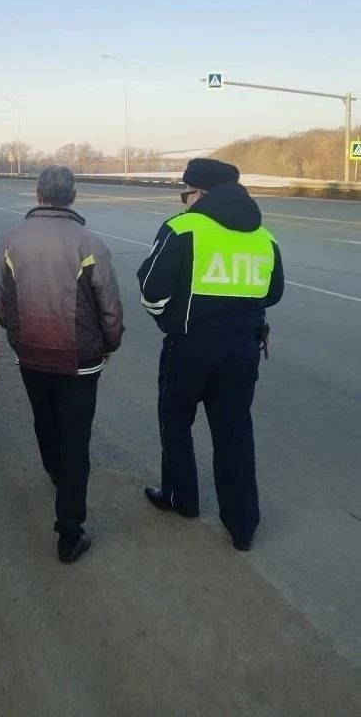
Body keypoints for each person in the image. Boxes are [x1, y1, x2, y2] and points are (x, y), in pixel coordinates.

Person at [136, 158, 284, 551]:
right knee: (234, 431)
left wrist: (172, 321)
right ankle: (242, 526)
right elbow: (273, 294)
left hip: (190, 348)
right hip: (242, 350)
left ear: (200, 192)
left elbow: (151, 291)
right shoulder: (264, 237)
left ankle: (181, 499)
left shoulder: (182, 228)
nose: (183, 201)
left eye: (185, 193)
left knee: (175, 420)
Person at [0, 165, 124, 563]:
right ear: (73, 197)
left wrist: (20, 335)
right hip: (80, 360)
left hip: (31, 355)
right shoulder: (90, 244)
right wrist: (110, 344)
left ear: (37, 195)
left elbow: (0, 305)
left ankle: (55, 473)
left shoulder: (12, 240)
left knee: (45, 420)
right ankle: (70, 532)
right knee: (76, 438)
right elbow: (110, 308)